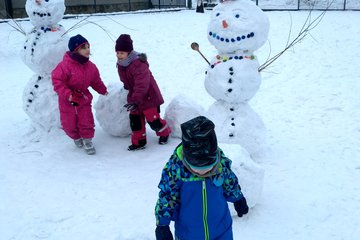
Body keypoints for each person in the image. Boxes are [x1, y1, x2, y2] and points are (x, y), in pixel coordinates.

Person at [154, 116, 249, 240]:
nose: (204, 172)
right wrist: (162, 224)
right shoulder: (176, 170)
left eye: (209, 168)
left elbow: (230, 182)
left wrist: (238, 198)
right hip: (188, 233)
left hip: (221, 229)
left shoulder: (220, 165)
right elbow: (167, 196)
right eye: (197, 169)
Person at [52, 34, 108, 155]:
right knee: (68, 124)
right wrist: (68, 94)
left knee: (86, 121)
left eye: (88, 46)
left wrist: (103, 90)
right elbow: (57, 81)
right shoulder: (64, 66)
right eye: (83, 47)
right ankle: (76, 137)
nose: (88, 49)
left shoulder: (91, 67)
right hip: (67, 101)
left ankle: (87, 140)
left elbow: (96, 81)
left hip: (83, 98)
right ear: (75, 50)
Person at [115, 34, 171, 151]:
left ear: (129, 52)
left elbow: (142, 85)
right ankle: (139, 142)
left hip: (148, 96)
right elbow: (126, 80)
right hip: (135, 96)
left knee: (153, 120)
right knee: (135, 121)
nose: (119, 55)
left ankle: (164, 132)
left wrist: (135, 100)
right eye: (118, 53)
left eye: (122, 53)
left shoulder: (138, 64)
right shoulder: (121, 64)